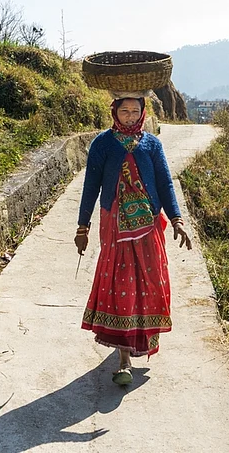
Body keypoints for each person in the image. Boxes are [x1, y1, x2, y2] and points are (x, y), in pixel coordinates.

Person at [74, 90, 192, 386]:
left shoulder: (152, 144)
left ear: (143, 112)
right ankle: (124, 358)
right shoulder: (102, 144)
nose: (130, 116)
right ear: (115, 111)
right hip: (115, 223)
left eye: (135, 112)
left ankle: (141, 337)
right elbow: (91, 186)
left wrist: (177, 219)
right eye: (124, 111)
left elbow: (164, 181)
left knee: (149, 281)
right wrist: (82, 227)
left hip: (149, 223)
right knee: (122, 281)